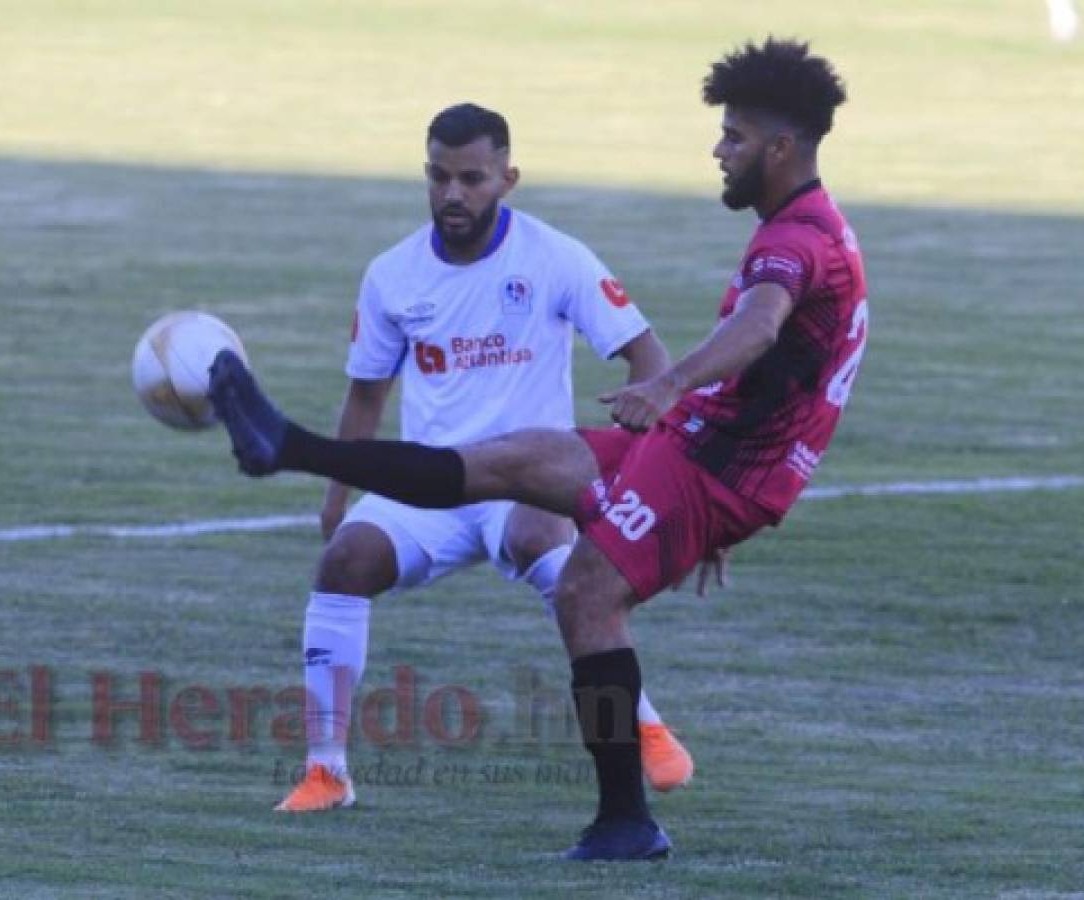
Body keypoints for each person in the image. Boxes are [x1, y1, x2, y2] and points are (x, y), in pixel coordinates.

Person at [211, 39, 866, 860]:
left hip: (720, 465)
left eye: (732, 136)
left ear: (779, 147)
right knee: (519, 457)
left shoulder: (791, 241)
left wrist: (669, 389)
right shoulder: (802, 226)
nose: (718, 149)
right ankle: (291, 445)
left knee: (584, 590)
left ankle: (625, 820)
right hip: (706, 449)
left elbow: (759, 325)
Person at [274, 103, 695, 814]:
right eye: (439, 176)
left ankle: (645, 723)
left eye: (471, 178)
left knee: (539, 540)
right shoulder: (391, 275)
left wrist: (639, 459)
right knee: (343, 563)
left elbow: (646, 357)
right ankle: (326, 772)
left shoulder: (554, 256)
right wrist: (337, 495)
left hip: (527, 478)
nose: (452, 194)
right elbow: (366, 395)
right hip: (432, 485)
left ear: (507, 178)